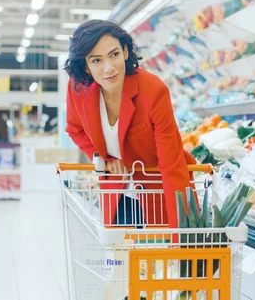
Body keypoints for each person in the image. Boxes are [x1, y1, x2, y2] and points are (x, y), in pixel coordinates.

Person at [64, 19, 196, 228]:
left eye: (114, 54)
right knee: (122, 257)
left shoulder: (153, 91)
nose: (109, 68)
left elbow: (171, 163)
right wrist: (104, 159)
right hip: (117, 192)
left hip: (157, 191)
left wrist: (180, 233)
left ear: (125, 52)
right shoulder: (78, 90)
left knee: (159, 258)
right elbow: (75, 129)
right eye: (96, 60)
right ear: (86, 67)